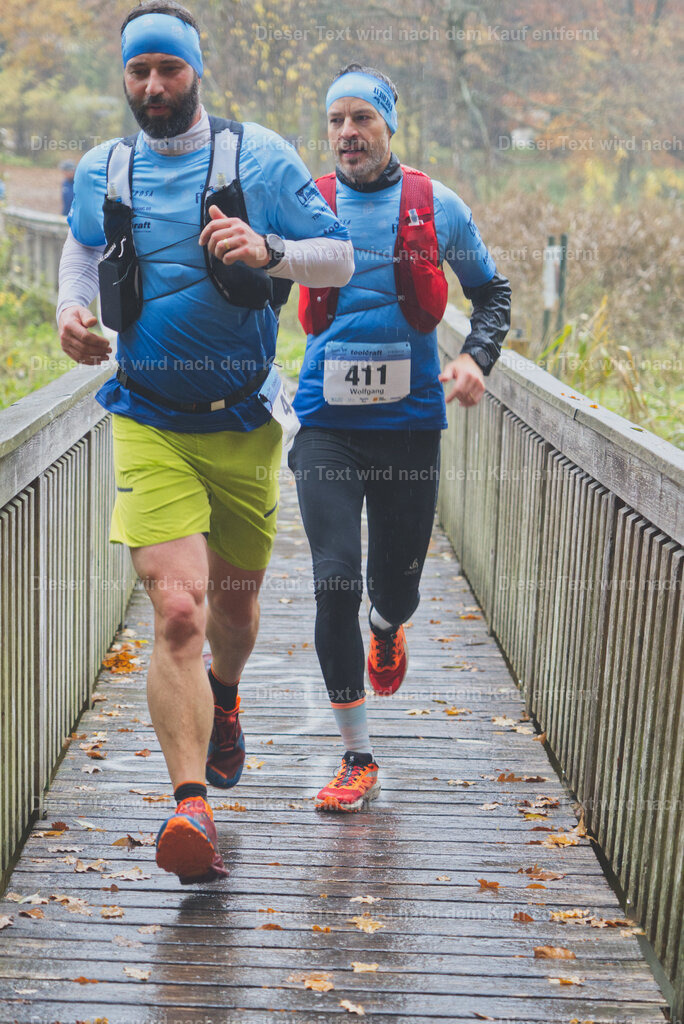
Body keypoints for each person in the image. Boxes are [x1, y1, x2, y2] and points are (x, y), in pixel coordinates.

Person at [56, 1, 353, 881]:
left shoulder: (254, 155)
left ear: (196, 73)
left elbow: (335, 256)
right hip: (147, 418)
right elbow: (79, 253)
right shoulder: (104, 168)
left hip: (243, 423)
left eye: (169, 71)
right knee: (177, 609)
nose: (152, 87)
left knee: (233, 607)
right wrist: (69, 313)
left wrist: (267, 251)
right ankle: (191, 808)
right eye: (138, 71)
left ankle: (225, 698)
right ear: (124, 77)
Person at [289, 63, 511, 812]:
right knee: (333, 580)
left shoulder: (437, 206)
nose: (348, 133)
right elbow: (256, 288)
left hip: (411, 427)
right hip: (325, 424)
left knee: (396, 587)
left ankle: (389, 624)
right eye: (336, 122)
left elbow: (492, 293)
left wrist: (476, 360)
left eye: (362, 119)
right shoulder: (308, 205)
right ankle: (357, 754)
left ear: (388, 127)